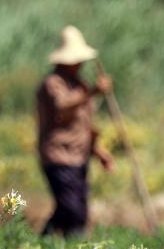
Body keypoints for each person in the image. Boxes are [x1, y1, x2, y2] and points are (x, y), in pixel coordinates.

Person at [36, 25, 115, 236]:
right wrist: (93, 92)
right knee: (73, 211)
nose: (79, 64)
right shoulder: (53, 84)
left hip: (79, 157)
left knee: (72, 210)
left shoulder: (80, 85)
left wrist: (98, 152)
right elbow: (62, 106)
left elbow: (84, 126)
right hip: (59, 155)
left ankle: (43, 247)